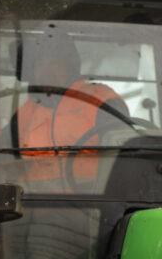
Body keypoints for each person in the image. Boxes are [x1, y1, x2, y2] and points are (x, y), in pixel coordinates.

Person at [14, 31, 127, 185]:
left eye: (54, 63)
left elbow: (123, 156)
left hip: (91, 200)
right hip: (34, 202)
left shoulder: (100, 100)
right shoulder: (25, 112)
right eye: (40, 64)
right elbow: (4, 157)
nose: (47, 71)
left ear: (70, 67)